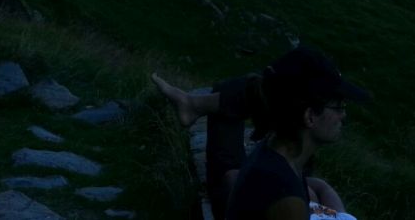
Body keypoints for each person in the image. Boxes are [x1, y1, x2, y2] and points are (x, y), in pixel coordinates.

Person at [153, 46, 367, 220]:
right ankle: (192, 105)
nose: (343, 116)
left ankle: (192, 105)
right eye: (338, 107)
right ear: (310, 116)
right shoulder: (287, 200)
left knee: (236, 87)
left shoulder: (279, 154)